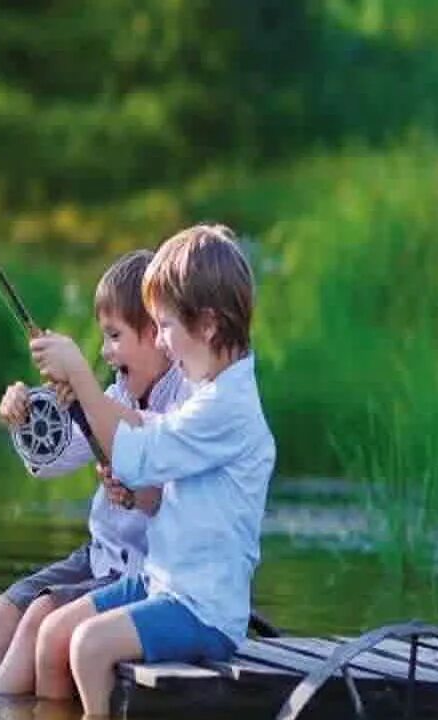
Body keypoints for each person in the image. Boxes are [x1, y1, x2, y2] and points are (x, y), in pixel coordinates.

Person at [29, 224, 276, 716]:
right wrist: (86, 396)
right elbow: (145, 424)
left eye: (165, 326)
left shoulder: (228, 407)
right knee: (54, 632)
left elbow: (137, 454)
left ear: (206, 324)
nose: (161, 343)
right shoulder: (210, 392)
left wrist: (81, 374)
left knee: (89, 646)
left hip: (201, 608)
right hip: (161, 582)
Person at [0, 250, 189, 698]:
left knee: (40, 616)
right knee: (7, 608)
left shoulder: (184, 403)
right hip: (98, 557)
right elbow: (54, 459)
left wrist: (132, 485)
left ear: (155, 334)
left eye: (114, 336)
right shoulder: (115, 393)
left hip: (142, 573)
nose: (106, 352)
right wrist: (26, 413)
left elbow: (165, 488)